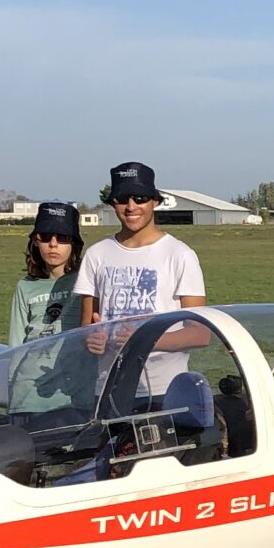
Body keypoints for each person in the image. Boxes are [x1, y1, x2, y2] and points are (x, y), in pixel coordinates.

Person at [74, 160, 207, 396]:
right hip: (108, 390)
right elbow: (86, 326)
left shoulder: (180, 254)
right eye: (122, 199)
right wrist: (91, 338)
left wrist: (145, 340)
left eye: (140, 198)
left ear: (155, 201)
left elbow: (200, 333)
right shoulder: (96, 254)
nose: (131, 206)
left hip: (164, 391)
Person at [8, 200, 84, 345]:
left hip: (73, 367)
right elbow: (16, 343)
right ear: (36, 241)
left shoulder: (86, 280)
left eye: (63, 238)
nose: (53, 244)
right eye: (45, 237)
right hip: (29, 366)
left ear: (73, 243)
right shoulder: (25, 287)